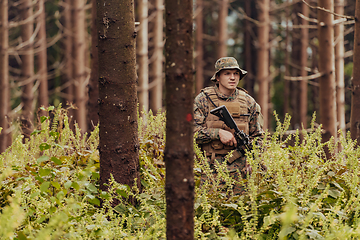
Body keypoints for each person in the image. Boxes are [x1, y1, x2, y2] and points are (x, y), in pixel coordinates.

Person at [194, 57, 264, 194]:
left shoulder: (249, 102)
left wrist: (253, 159)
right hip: (210, 171)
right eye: (227, 73)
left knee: (242, 213)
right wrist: (217, 133)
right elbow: (192, 132)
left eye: (236, 73)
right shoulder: (203, 100)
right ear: (218, 77)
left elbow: (258, 137)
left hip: (242, 173)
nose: (232, 77)